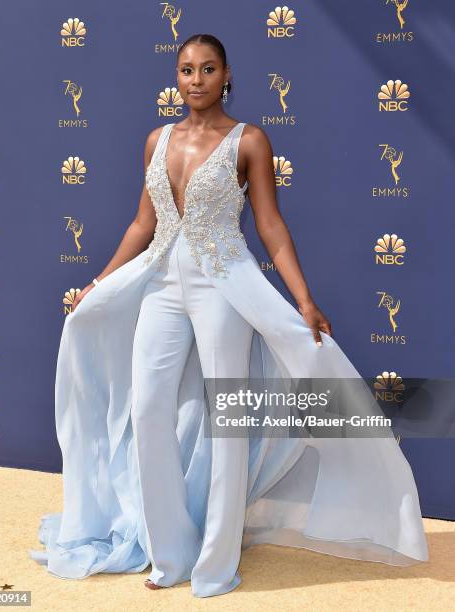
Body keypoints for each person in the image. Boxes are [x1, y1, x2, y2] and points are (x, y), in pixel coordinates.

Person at [29, 33, 429, 598]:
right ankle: (168, 553)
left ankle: (215, 564)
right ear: (176, 77)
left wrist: (304, 299)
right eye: (186, 70)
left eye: (207, 69)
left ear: (226, 75)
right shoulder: (156, 140)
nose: (196, 80)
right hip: (163, 283)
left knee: (227, 421)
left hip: (224, 284)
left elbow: (270, 226)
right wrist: (97, 282)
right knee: (147, 409)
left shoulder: (249, 140)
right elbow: (143, 225)